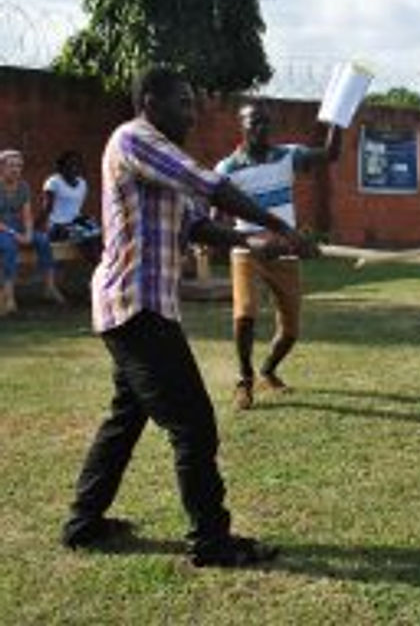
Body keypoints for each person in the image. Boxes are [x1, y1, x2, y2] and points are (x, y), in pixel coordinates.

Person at [61, 66, 307, 567]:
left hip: (143, 306)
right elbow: (210, 185)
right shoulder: (136, 139)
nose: (192, 115)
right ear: (150, 101)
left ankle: (83, 523)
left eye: (194, 105)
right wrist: (277, 222)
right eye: (183, 103)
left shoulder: (160, 159)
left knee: (126, 418)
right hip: (135, 306)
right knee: (194, 425)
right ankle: (211, 542)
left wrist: (252, 239)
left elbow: (195, 222)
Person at [214, 101, 340, 410]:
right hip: (248, 251)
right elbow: (215, 215)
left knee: (291, 332)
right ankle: (244, 381)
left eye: (266, 123)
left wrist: (340, 116)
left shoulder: (287, 156)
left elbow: (330, 154)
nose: (262, 129)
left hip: (286, 252)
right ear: (240, 127)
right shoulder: (227, 169)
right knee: (244, 314)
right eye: (254, 122)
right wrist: (213, 238)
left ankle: (267, 370)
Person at [0, 148, 65, 315]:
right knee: (9, 246)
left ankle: (49, 288)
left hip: (16, 226)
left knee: (43, 240)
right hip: (2, 229)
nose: (16, 170)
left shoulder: (23, 186)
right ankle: (8, 296)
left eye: (19, 166)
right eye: (11, 166)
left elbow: (27, 214)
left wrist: (28, 233)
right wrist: (16, 235)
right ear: (2, 167)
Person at [39, 150, 102, 263]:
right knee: (84, 234)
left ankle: (100, 262)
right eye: (70, 165)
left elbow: (75, 209)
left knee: (98, 231)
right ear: (61, 167)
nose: (74, 168)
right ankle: (96, 263)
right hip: (57, 226)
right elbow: (47, 208)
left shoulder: (82, 183)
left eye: (76, 165)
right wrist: (37, 228)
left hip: (74, 222)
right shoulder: (53, 182)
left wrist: (84, 219)